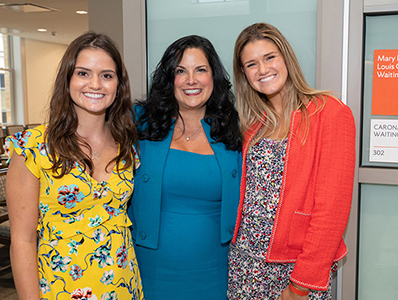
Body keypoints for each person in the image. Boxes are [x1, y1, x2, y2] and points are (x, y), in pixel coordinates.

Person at [5, 32, 144, 300]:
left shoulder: (128, 146)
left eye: (106, 75)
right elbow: (22, 242)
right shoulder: (33, 148)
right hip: (61, 291)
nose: (95, 84)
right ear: (67, 80)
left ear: (118, 85)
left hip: (125, 288)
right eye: (83, 73)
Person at [228, 23, 356, 300]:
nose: (262, 70)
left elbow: (331, 212)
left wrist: (301, 284)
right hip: (244, 264)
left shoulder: (329, 113)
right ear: (244, 74)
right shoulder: (253, 125)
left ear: (286, 58)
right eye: (251, 64)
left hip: (294, 270)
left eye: (269, 57)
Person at [130, 35, 242, 299]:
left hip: (216, 271)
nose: (191, 80)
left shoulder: (235, 129)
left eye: (200, 70)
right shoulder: (139, 123)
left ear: (214, 76)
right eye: (181, 71)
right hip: (149, 269)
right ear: (169, 79)